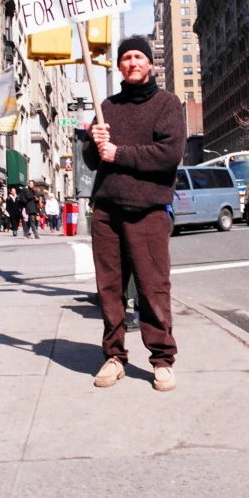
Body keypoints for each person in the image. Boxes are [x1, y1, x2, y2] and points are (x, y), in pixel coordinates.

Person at [83, 35, 185, 392]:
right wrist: (93, 142)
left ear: (150, 63)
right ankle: (113, 356)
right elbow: (93, 160)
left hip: (148, 211)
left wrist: (118, 153)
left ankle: (162, 360)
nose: (132, 62)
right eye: (126, 57)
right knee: (109, 289)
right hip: (107, 211)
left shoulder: (167, 104)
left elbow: (169, 155)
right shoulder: (105, 106)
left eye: (138, 56)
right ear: (119, 66)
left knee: (152, 287)